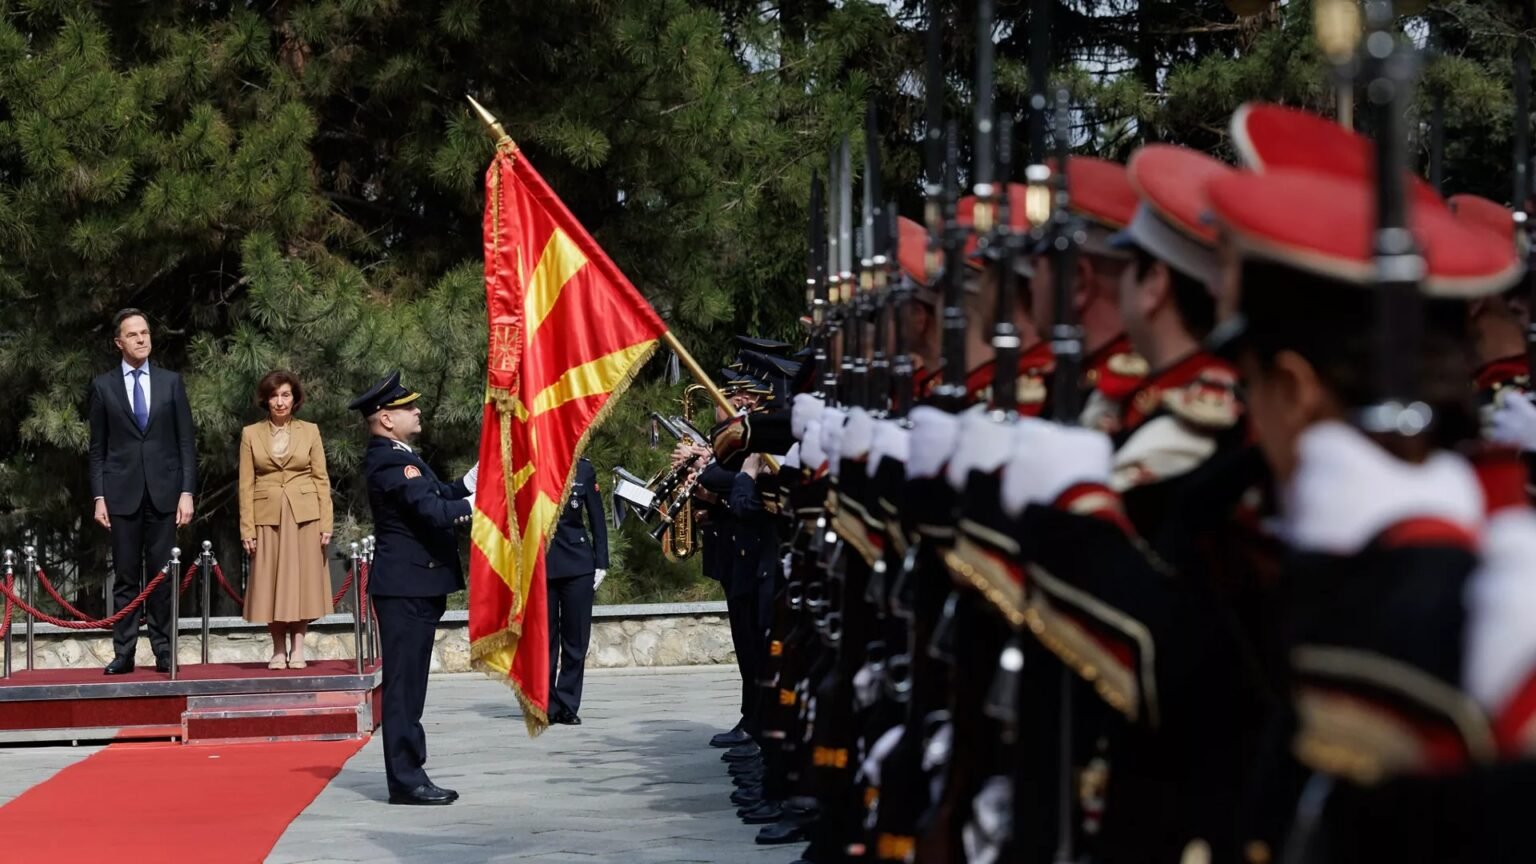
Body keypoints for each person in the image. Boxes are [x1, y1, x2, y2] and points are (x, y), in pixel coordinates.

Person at [350, 370, 476, 806]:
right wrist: (482, 504)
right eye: (407, 407)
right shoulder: (388, 459)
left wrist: (475, 481)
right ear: (385, 419)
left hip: (415, 584)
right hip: (405, 586)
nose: (417, 410)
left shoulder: (403, 454)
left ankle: (412, 769)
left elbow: (441, 492)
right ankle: (405, 779)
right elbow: (434, 511)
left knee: (412, 685)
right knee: (403, 688)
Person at [88, 308, 197, 675]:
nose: (141, 339)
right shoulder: (104, 386)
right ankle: (124, 652)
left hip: (165, 492)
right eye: (133, 334)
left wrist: (187, 491)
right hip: (121, 494)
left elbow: (185, 442)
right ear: (119, 342)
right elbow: (98, 449)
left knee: (162, 575)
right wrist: (99, 496)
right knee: (125, 577)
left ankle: (165, 651)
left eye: (146, 332)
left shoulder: (170, 382)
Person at [238, 370, 335, 670]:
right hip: (267, 515)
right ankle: (278, 649)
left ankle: (298, 647)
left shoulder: (310, 431)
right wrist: (247, 528)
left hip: (306, 515)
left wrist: (326, 523)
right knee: (270, 582)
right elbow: (245, 483)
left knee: (302, 582)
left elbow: (321, 479)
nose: (280, 402)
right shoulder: (250, 434)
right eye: (274, 396)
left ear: (295, 399)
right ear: (265, 400)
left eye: (285, 395)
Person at [544, 456, 609, 726]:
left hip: (578, 564)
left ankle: (568, 703)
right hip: (541, 565)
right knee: (545, 641)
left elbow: (597, 518)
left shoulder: (583, 468)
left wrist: (601, 562)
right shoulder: (530, 466)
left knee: (575, 640)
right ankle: (546, 704)